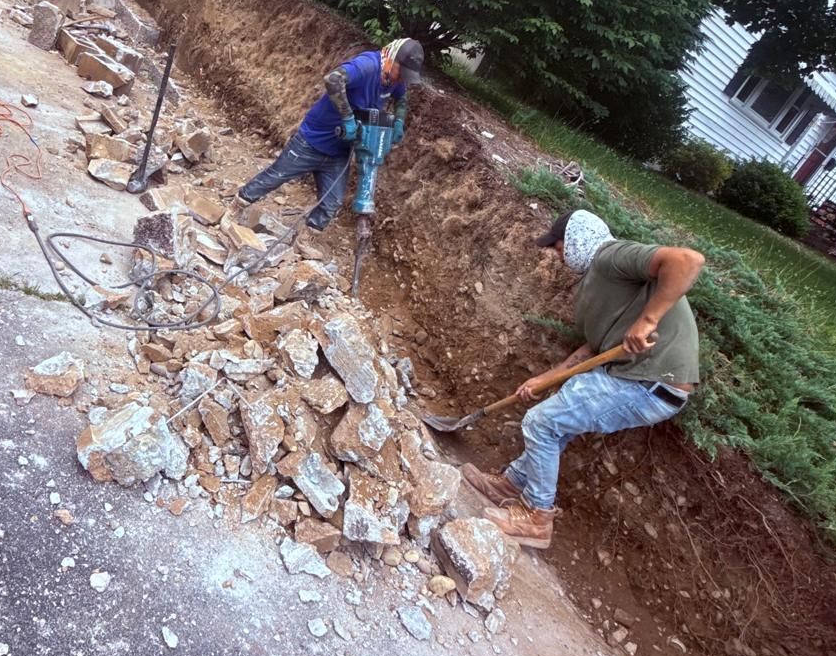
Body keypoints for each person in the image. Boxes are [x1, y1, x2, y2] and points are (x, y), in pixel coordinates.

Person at [461, 208, 704, 550]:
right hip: (631, 377)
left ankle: (537, 518)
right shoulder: (600, 283)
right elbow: (591, 350)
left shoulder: (612, 256)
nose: (557, 254)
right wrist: (544, 379)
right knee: (558, 418)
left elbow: (687, 260)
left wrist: (648, 321)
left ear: (575, 238)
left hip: (650, 382)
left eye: (558, 245)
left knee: (542, 423)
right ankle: (511, 484)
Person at [237, 38, 424, 230]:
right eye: (401, 73)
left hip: (340, 151)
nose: (402, 79)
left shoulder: (394, 79)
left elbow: (401, 99)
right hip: (313, 140)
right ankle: (238, 205)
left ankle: (307, 237)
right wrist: (347, 117)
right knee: (275, 176)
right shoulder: (367, 66)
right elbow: (333, 79)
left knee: (332, 203)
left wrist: (399, 121)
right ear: (392, 60)